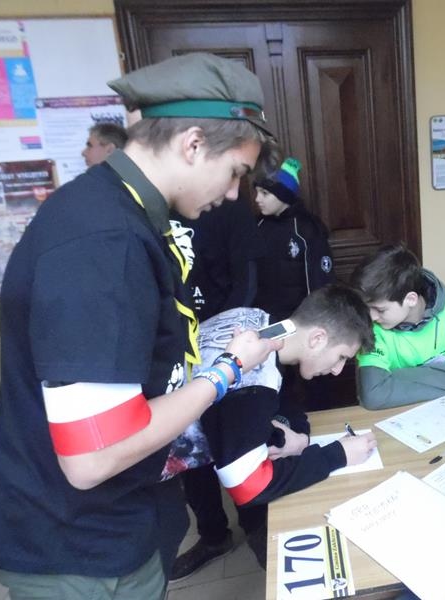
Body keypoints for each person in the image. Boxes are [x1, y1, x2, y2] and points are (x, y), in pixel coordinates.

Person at [0, 52, 283, 599]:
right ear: (193, 145)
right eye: (235, 172)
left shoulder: (126, 211)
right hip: (75, 542)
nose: (235, 194)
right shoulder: (104, 240)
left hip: (121, 520)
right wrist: (229, 371)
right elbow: (93, 457)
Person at [169, 284, 377, 571]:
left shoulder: (258, 323)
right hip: (143, 471)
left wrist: (299, 437)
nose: (338, 370)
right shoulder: (254, 381)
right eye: (341, 356)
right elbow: (247, 486)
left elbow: (278, 398)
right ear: (317, 338)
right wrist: (338, 454)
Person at [168, 198, 267, 581]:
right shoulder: (156, 208)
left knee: (237, 440)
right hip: (177, 347)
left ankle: (257, 527)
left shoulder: (231, 209)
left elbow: (247, 281)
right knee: (191, 447)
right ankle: (213, 537)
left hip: (228, 342)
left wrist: (223, 345)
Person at [349, 243, 445, 409]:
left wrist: (395, 380)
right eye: (367, 308)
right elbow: (374, 394)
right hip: (400, 415)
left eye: (380, 310)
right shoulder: (370, 324)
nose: (371, 317)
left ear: (411, 299)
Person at [253, 156, 335, 319]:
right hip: (260, 318)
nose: (257, 199)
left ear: (283, 195)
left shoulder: (308, 229)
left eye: (265, 193)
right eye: (256, 192)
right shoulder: (258, 225)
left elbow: (320, 281)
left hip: (297, 320)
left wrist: (315, 318)